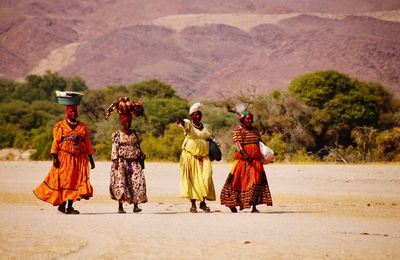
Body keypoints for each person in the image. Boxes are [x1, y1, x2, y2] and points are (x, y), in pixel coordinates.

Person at [33, 104, 95, 214]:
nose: (74, 114)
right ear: (67, 113)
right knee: (65, 181)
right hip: (64, 157)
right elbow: (56, 141)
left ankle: (69, 207)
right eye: (71, 112)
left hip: (79, 158)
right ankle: (62, 205)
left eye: (75, 112)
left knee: (75, 181)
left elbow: (87, 143)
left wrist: (91, 158)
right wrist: (54, 157)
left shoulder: (83, 126)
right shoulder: (60, 126)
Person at [220, 111, 272, 213]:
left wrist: (266, 156)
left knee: (256, 182)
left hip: (256, 161)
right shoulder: (238, 130)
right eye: (247, 119)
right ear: (243, 119)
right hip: (242, 161)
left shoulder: (255, 131)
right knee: (236, 182)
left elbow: (260, 145)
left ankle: (254, 206)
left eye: (251, 119)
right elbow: (238, 144)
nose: (250, 121)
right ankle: (232, 204)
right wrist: (244, 153)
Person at [176, 103, 216, 213]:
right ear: (191, 116)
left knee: (206, 177)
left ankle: (203, 203)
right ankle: (193, 205)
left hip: (204, 157)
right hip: (189, 156)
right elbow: (183, 123)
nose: (197, 116)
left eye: (199, 114)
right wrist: (180, 121)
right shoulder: (189, 124)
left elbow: (210, 139)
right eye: (195, 115)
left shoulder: (207, 127)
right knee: (192, 180)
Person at [108, 101, 147, 213]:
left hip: (134, 162)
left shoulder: (135, 133)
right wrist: (115, 161)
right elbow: (114, 147)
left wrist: (141, 156)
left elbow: (137, 146)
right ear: (122, 122)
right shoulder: (117, 134)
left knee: (136, 182)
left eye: (129, 122)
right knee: (121, 183)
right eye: (125, 122)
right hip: (121, 162)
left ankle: (136, 205)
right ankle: (120, 207)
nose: (127, 124)